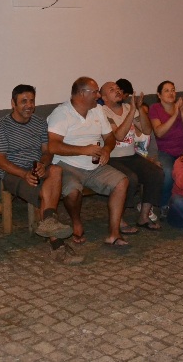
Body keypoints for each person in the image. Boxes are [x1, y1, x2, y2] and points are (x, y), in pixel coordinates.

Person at [0, 84, 81, 264]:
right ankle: (57, 246)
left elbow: (47, 152)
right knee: (44, 194)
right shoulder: (1, 126)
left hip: (36, 168)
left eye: (32, 101)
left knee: (56, 169)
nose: (29, 105)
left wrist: (43, 164)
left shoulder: (40, 123)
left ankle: (49, 221)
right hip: (13, 173)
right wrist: (24, 174)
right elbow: (0, 161)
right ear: (13, 104)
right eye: (24, 101)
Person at [47, 77, 131, 247]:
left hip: (94, 165)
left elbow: (110, 138)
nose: (98, 95)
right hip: (67, 165)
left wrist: (106, 150)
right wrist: (83, 150)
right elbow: (53, 146)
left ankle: (114, 234)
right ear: (81, 93)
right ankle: (76, 222)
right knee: (73, 191)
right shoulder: (61, 113)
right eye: (95, 92)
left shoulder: (97, 110)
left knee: (122, 182)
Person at [99, 81, 164, 231]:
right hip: (111, 158)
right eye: (111, 89)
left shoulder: (129, 108)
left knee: (156, 173)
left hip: (131, 155)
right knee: (130, 178)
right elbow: (119, 136)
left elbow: (147, 130)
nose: (117, 91)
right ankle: (119, 219)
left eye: (117, 88)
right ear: (104, 97)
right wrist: (132, 112)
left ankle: (144, 216)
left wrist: (139, 109)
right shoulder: (102, 112)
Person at [149, 80, 183, 213]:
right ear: (159, 95)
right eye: (167, 91)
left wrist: (181, 111)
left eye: (173, 90)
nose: (171, 93)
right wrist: (175, 114)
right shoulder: (155, 108)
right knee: (168, 173)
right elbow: (159, 132)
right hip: (164, 151)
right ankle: (164, 205)